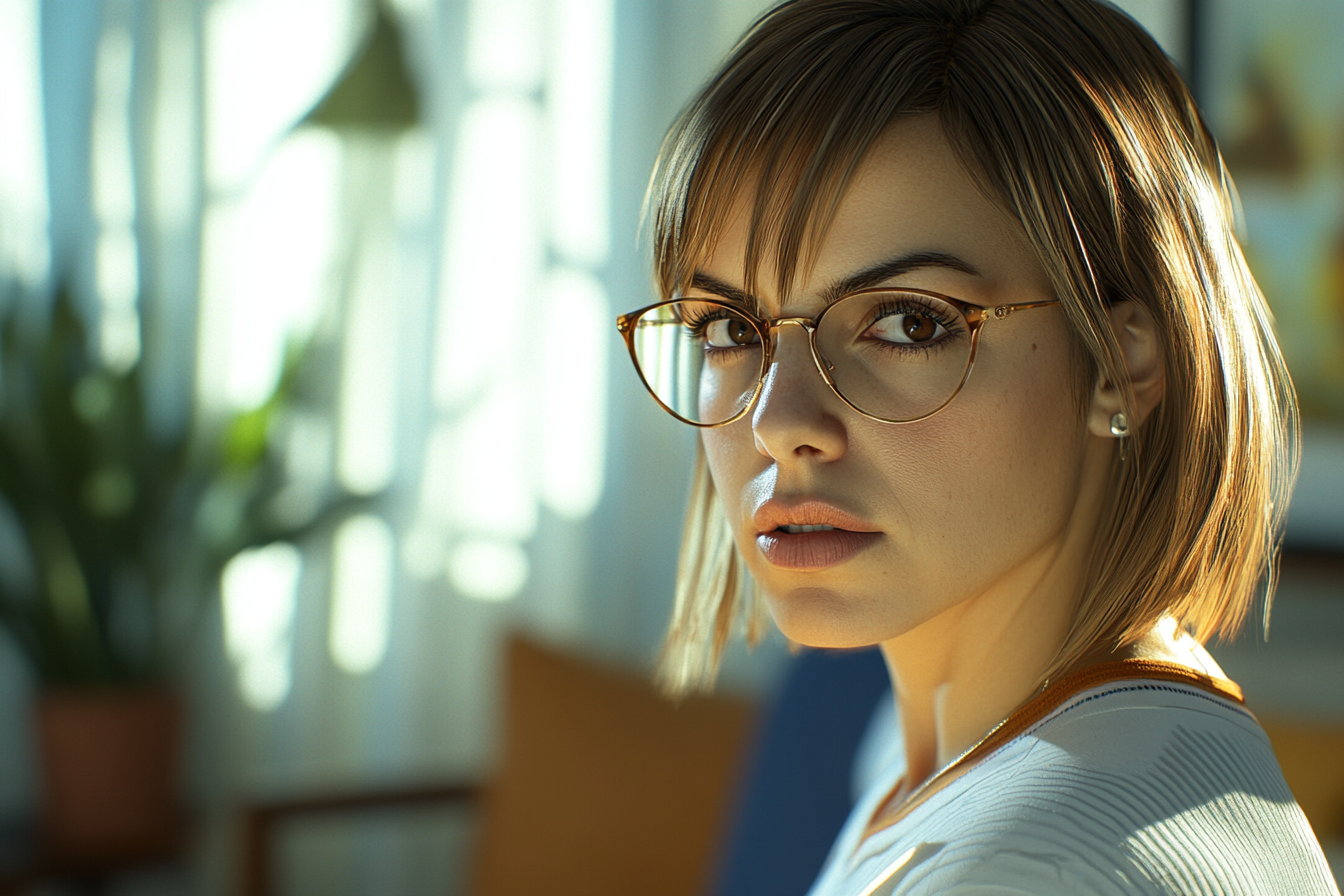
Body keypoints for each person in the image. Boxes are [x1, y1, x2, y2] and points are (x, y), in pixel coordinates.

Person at [614, 1, 1341, 893]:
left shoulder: (1034, 865)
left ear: (1119, 360)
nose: (776, 420)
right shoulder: (940, 751)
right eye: (729, 326)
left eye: (909, 322)